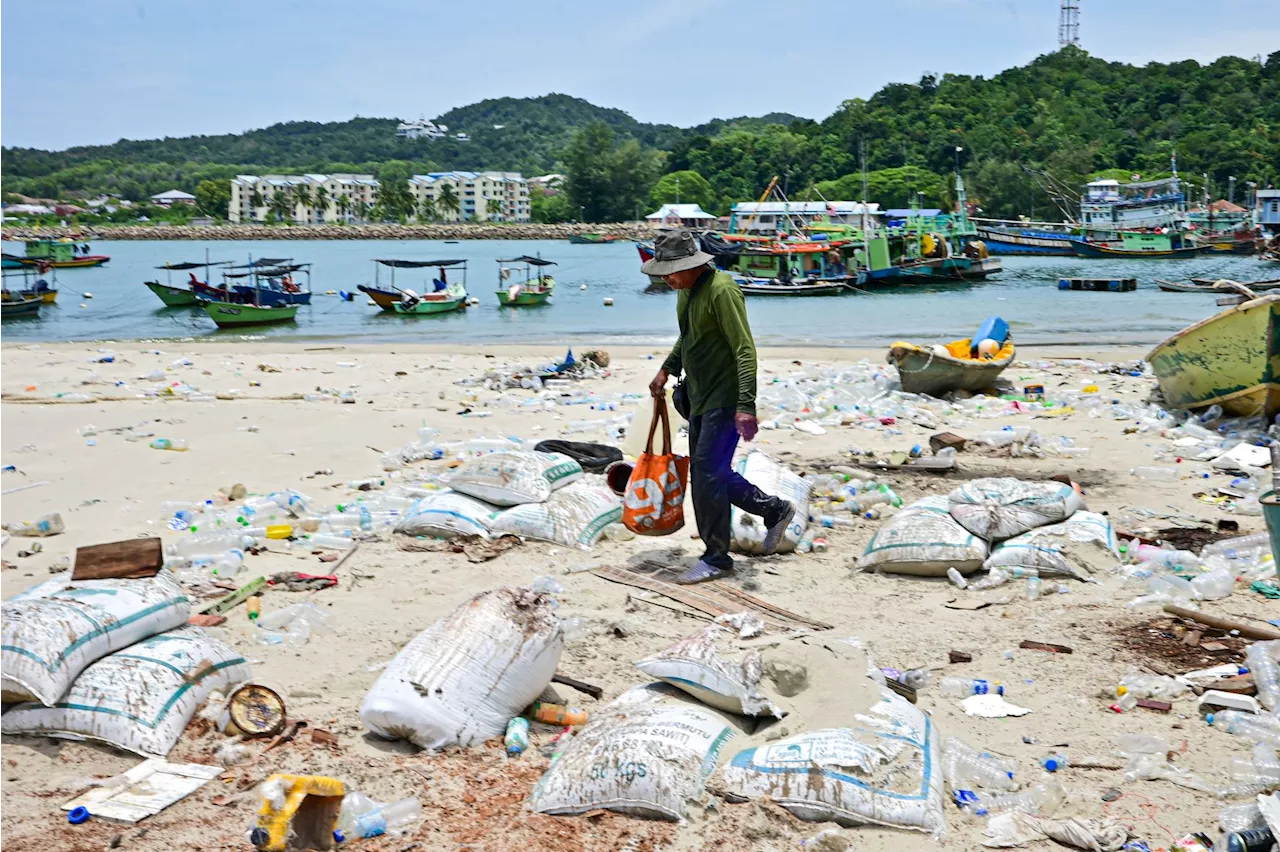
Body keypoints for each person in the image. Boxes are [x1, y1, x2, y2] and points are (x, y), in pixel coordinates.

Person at [643, 229, 795, 584]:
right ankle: (774, 510)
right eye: (662, 271)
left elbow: (745, 349)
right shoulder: (686, 291)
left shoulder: (722, 291)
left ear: (690, 264)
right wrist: (666, 368)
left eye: (670, 270)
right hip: (697, 396)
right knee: (711, 473)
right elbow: (689, 336)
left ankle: (716, 558)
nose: (665, 278)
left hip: (725, 400)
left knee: (708, 476)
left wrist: (746, 405)